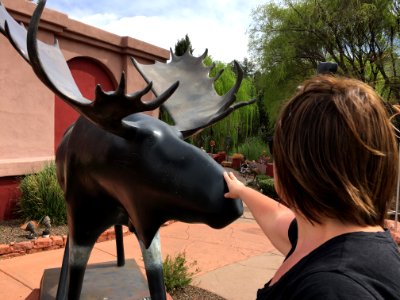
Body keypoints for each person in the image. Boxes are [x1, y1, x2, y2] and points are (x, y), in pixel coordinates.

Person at [224, 75, 400, 299]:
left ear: (298, 166)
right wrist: (241, 190)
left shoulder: (332, 289)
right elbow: (278, 219)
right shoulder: (333, 237)